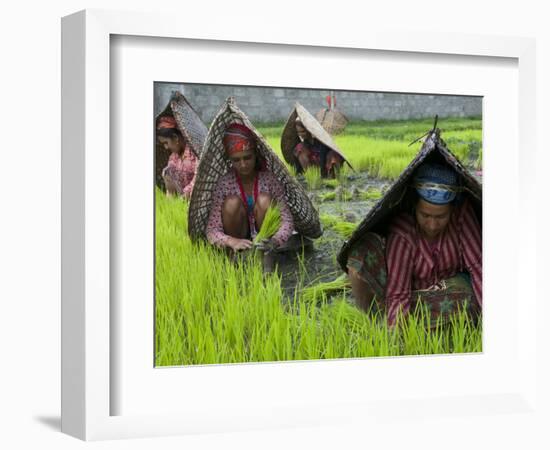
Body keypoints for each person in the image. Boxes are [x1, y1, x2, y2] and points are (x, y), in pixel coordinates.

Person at [346, 163, 482, 327]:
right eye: (425, 215)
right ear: (414, 207)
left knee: (466, 297)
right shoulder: (403, 231)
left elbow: (478, 268)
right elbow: (398, 293)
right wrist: (396, 340)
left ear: (452, 211)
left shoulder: (462, 216)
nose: (432, 225)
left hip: (452, 292)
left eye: (441, 217)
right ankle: (377, 321)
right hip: (413, 296)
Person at [206, 123, 294, 252]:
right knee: (231, 203)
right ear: (230, 160)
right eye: (236, 160)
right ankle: (238, 254)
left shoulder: (269, 180)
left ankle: (266, 253)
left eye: (247, 158)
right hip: (239, 236)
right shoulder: (224, 183)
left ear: (255, 155)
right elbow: (212, 229)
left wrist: (275, 241)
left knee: (264, 200)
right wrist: (231, 241)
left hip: (267, 239)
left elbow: (287, 219)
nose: (243, 164)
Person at [156, 115, 198, 198]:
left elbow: (198, 178)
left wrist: (186, 194)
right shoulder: (173, 158)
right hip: (181, 199)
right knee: (167, 171)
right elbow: (170, 185)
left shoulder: (194, 152)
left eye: (166, 143)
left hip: (195, 197)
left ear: (175, 138)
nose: (166, 147)